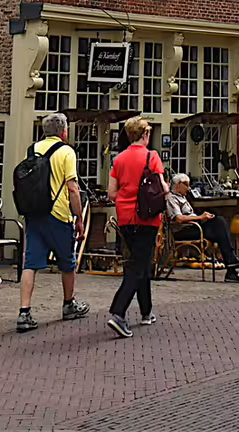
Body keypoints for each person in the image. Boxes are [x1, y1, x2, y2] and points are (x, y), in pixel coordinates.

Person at [16, 111, 90, 333]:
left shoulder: (32, 150)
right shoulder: (66, 152)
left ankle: (24, 312)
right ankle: (68, 304)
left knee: (30, 263)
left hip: (34, 213)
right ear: (64, 132)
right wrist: (79, 217)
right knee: (67, 262)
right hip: (58, 214)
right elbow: (72, 188)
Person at [105, 116, 165, 337]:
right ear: (145, 134)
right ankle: (118, 313)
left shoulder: (119, 159)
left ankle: (146, 311)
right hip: (147, 219)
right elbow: (163, 188)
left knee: (141, 263)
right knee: (138, 268)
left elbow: (111, 193)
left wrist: (127, 195)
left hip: (126, 219)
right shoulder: (152, 157)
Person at [166, 174, 239, 283]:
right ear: (178, 185)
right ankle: (231, 265)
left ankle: (231, 267)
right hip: (183, 230)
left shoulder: (182, 197)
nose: (189, 188)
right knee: (219, 226)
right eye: (186, 185)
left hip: (194, 227)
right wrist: (200, 217)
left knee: (219, 222)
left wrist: (204, 217)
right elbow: (178, 218)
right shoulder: (171, 198)